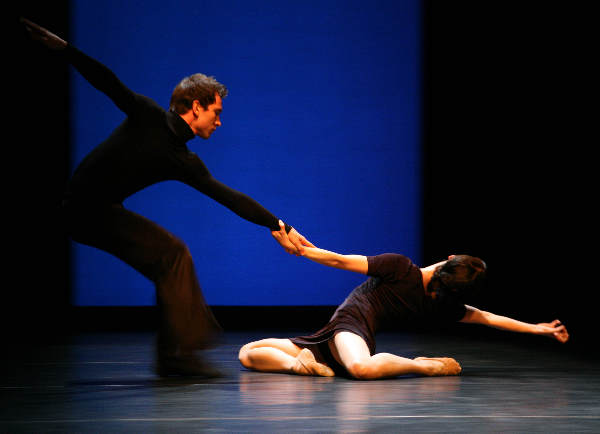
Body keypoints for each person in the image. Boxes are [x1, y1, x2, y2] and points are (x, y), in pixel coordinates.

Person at [21, 18, 314, 377]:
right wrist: (66, 49)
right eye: (216, 113)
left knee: (170, 257)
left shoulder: (185, 161)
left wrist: (278, 224)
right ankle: (177, 356)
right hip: (80, 207)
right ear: (195, 106)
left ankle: (173, 356)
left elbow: (229, 197)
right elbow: (107, 82)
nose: (219, 122)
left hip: (102, 211)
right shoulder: (147, 115)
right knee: (172, 254)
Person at [239, 221, 569, 379]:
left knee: (359, 367)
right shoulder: (423, 288)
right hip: (337, 330)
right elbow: (487, 317)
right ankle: (301, 365)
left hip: (352, 330)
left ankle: (422, 365)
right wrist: (538, 329)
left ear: (448, 258)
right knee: (248, 353)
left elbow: (341, 260)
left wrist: (300, 250)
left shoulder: (405, 271)